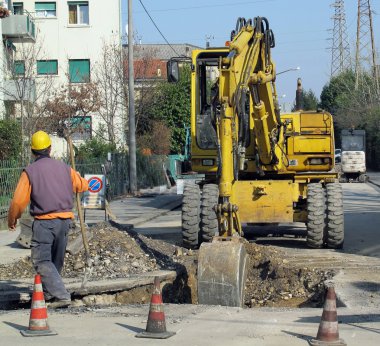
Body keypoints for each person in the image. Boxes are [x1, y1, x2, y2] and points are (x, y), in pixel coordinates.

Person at [8, 131, 89, 308]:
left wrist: (13, 219)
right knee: (55, 261)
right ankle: (49, 294)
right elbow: (83, 185)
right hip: (65, 221)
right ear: (50, 149)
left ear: (32, 151)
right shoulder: (65, 168)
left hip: (45, 222)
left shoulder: (30, 172)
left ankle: (60, 295)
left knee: (41, 260)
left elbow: (18, 201)